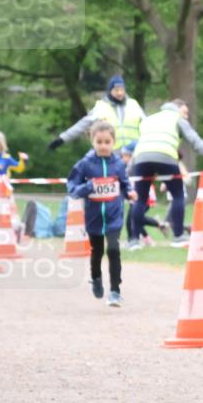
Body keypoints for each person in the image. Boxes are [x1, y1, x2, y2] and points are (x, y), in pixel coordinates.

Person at [127, 100, 203, 249]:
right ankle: (178, 236)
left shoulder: (148, 120)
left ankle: (133, 241)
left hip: (141, 158)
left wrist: (126, 173)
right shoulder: (177, 119)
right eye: (185, 113)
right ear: (176, 110)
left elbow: (141, 144)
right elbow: (196, 142)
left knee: (140, 199)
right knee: (178, 195)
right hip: (166, 156)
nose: (186, 117)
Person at [66, 121, 137, 307]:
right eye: (99, 141)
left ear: (113, 142)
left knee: (113, 250)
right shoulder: (85, 164)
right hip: (94, 216)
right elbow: (72, 188)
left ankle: (115, 291)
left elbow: (124, 184)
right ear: (93, 142)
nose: (103, 145)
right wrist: (88, 187)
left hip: (114, 215)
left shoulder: (119, 164)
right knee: (96, 251)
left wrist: (129, 192)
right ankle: (96, 277)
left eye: (107, 141)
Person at [49, 75, 145, 151]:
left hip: (133, 153)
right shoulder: (101, 107)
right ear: (110, 91)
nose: (120, 93)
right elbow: (82, 125)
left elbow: (148, 124)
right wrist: (62, 139)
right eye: (116, 90)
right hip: (110, 154)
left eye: (122, 89)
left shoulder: (134, 104)